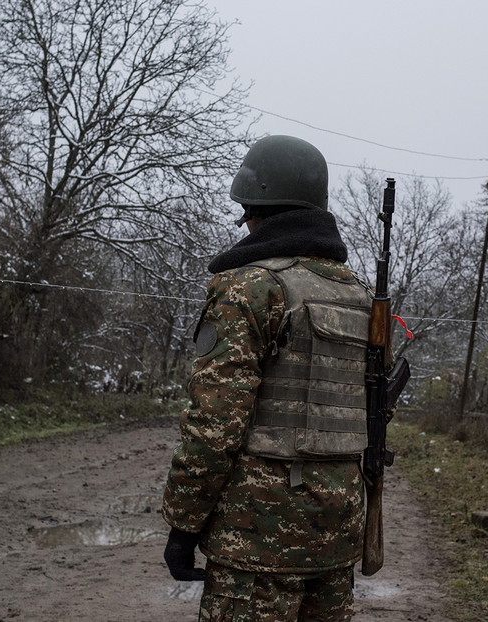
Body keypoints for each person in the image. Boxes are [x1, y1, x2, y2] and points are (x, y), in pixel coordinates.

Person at [162, 135, 372, 621]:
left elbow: (215, 424)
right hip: (337, 532)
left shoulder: (251, 287)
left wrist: (183, 524)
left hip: (256, 538)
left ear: (255, 207)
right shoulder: (358, 295)